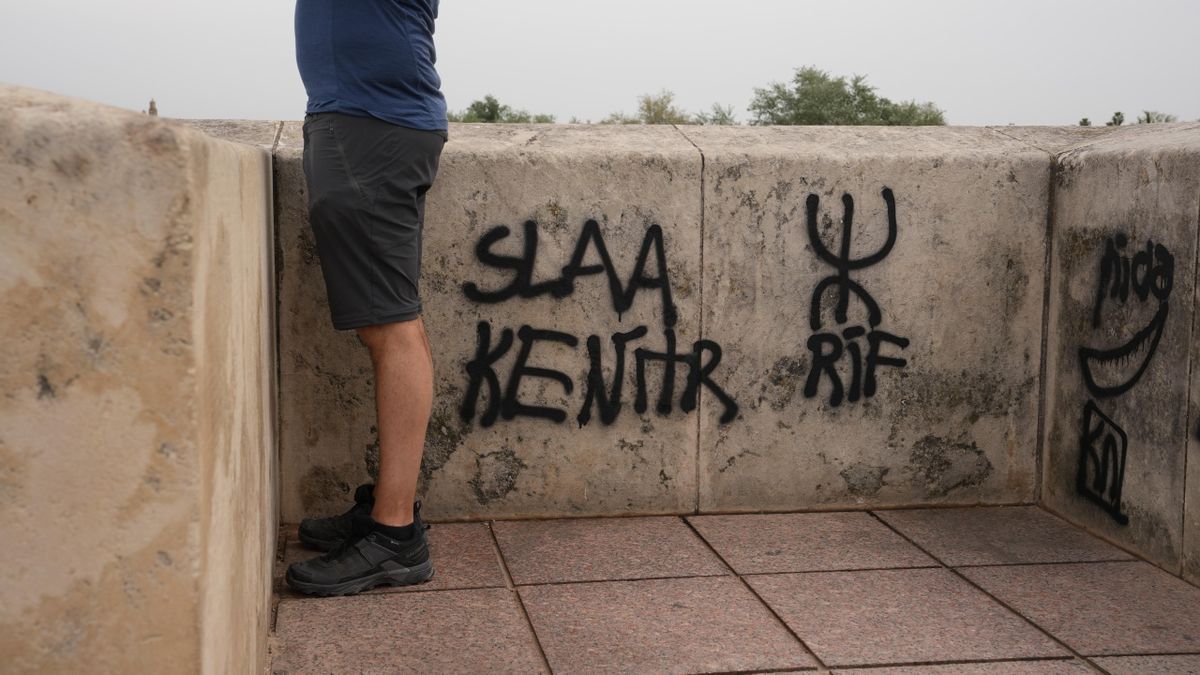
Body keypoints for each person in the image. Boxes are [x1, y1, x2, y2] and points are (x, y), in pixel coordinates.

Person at [285, 0, 448, 597]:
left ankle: (395, 535)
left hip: (372, 124)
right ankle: (388, 508)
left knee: (391, 326)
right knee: (386, 320)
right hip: (364, 119)